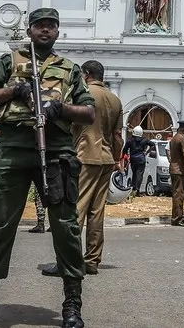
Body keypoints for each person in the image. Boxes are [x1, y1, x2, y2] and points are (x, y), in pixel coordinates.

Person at [0, 7, 96, 328]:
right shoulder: (10, 62)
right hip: (14, 149)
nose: (45, 31)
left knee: (65, 228)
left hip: (57, 151)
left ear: (58, 32)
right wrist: (14, 90)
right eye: (39, 26)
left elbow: (89, 113)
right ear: (30, 30)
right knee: (1, 226)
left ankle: (72, 304)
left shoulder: (70, 69)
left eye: (51, 26)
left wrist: (61, 107)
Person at [42, 59, 123, 275]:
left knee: (75, 209)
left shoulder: (83, 96)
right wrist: (117, 159)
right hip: (106, 159)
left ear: (86, 75)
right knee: (97, 212)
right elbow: (117, 136)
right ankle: (92, 260)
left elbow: (68, 125)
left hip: (85, 156)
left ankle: (68, 262)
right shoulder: (115, 100)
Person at [121, 126, 155, 197]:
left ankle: (133, 189)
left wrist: (124, 157)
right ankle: (137, 190)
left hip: (133, 159)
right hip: (141, 160)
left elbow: (124, 150)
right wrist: (147, 152)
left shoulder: (130, 140)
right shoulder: (144, 140)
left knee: (134, 174)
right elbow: (153, 144)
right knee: (139, 175)